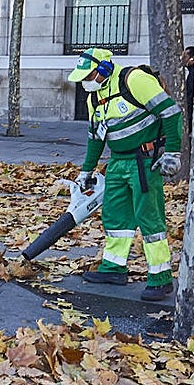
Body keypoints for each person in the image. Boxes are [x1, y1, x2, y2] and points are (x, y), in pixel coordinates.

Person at [67, 48, 182, 302]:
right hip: (118, 162)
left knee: (149, 218)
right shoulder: (95, 97)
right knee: (115, 216)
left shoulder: (134, 80)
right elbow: (95, 136)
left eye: (90, 75)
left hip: (144, 161)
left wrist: (173, 153)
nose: (86, 82)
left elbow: (171, 112)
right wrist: (87, 169)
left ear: (105, 69)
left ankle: (161, 278)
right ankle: (113, 268)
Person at [182, 46, 194, 135]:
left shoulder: (193, 74)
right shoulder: (192, 72)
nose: (183, 59)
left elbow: (190, 94)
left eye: (185, 56)